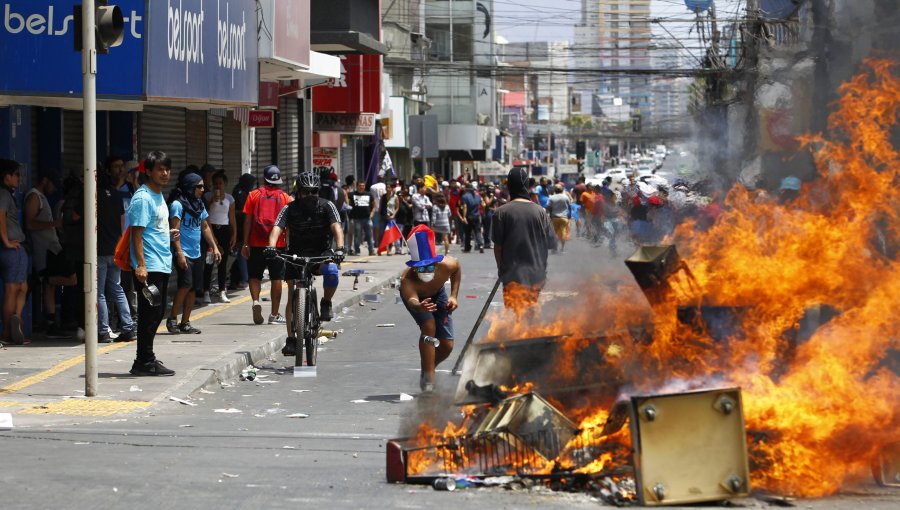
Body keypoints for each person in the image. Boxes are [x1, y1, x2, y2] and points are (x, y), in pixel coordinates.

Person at [266, 172, 345, 356]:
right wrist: (270, 247)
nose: (309, 196)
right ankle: (291, 338)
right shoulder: (289, 209)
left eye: (313, 192)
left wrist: (340, 248)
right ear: (298, 192)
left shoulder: (328, 206)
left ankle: (326, 302)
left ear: (318, 192)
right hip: (296, 256)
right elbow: (277, 228)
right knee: (293, 293)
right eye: (305, 192)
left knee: (332, 271)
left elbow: (337, 228)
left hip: (320, 256)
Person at [127, 151, 176, 376]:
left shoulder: (158, 196)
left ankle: (147, 358)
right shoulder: (143, 197)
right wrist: (141, 266)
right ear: (148, 171)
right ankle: (143, 361)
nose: (165, 173)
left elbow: (152, 228)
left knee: (156, 314)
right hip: (150, 265)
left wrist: (169, 233)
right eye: (159, 169)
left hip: (162, 262)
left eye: (167, 169)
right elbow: (136, 234)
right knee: (149, 314)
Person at [399, 225, 460, 393]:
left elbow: (457, 270)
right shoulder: (407, 279)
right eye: (420, 267)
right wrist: (419, 306)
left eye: (429, 266)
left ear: (436, 262)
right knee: (429, 326)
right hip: (419, 301)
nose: (425, 271)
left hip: (439, 295)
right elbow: (411, 299)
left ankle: (428, 366)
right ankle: (429, 380)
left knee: (446, 345)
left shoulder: (448, 264)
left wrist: (454, 295)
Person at [492, 167, 556, 315]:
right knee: (530, 310)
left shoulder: (501, 212)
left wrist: (500, 269)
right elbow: (551, 242)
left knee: (516, 313)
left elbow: (498, 246)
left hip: (511, 273)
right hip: (536, 272)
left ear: (509, 186)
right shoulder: (540, 212)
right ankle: (529, 336)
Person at [167, 172, 221, 335]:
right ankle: (172, 318)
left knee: (193, 289)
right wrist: (179, 252)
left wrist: (214, 246)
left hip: (197, 253)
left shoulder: (199, 204)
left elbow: (204, 226)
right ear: (190, 187)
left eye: (203, 186)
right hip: (183, 252)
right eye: (199, 186)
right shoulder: (178, 205)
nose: (203, 189)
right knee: (185, 285)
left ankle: (186, 322)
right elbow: (174, 231)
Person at [23, 170, 75, 339]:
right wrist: (55, 223)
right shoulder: (34, 197)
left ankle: (51, 322)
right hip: (45, 250)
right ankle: (44, 280)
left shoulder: (41, 197)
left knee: (51, 286)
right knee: (69, 279)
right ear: (45, 180)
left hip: (53, 247)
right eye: (52, 184)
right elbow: (30, 224)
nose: (54, 189)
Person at [241, 165, 291, 325]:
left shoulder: (253, 195)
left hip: (256, 243)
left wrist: (246, 243)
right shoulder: (285, 198)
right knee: (276, 277)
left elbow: (247, 221)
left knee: (255, 275)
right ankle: (274, 314)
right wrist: (288, 243)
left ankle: (256, 301)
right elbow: (288, 224)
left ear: (264, 178)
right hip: (278, 244)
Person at [96, 157, 135, 343]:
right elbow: (121, 225)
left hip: (99, 250)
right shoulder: (117, 196)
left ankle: (103, 330)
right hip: (114, 249)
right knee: (117, 289)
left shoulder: (94, 198)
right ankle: (128, 326)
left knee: (100, 292)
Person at [0, 159, 29, 345]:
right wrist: (6, 241)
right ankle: (8, 333)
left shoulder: (6, 193)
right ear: (6, 177)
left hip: (15, 249)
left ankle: (15, 322)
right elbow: (0, 216)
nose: (19, 178)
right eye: (16, 174)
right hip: (12, 249)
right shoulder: (3, 194)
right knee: (13, 289)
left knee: (22, 287)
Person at [203, 171, 236, 303]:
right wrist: (212, 202)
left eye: (220, 183)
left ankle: (222, 290)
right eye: (215, 183)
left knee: (223, 262)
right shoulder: (207, 196)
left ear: (225, 184)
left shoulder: (230, 198)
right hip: (211, 229)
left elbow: (232, 218)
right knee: (209, 261)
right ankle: (206, 291)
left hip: (225, 229)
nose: (218, 186)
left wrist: (234, 234)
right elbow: (205, 216)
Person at [229, 173, 257, 291]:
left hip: (243, 227)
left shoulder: (243, 191)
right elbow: (242, 211)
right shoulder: (240, 193)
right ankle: (243, 279)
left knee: (242, 255)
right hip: (240, 229)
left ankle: (241, 279)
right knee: (241, 254)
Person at [349, 181, 375, 256]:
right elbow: (345, 198)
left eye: (363, 186)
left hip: (367, 218)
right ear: (357, 186)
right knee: (357, 236)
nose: (362, 187)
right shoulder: (352, 194)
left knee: (370, 235)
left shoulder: (369, 194)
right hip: (357, 219)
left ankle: (371, 250)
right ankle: (357, 250)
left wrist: (372, 213)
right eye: (360, 185)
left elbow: (374, 205)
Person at [458, 182, 484, 253]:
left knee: (467, 233)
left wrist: (464, 217)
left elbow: (465, 207)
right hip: (476, 215)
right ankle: (481, 245)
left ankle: (467, 247)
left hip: (469, 216)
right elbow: (482, 204)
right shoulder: (478, 196)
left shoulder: (465, 196)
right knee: (477, 231)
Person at [547, 183, 572, 253]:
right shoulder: (565, 197)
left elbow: (548, 207)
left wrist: (547, 214)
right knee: (563, 232)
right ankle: (562, 249)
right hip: (564, 218)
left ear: (555, 190)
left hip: (554, 218)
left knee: (554, 233)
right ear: (562, 190)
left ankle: (555, 248)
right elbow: (570, 207)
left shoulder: (551, 197)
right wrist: (570, 215)